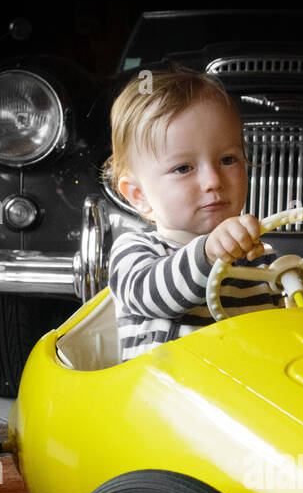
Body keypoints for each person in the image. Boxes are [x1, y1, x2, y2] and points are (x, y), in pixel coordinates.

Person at [101, 67, 281, 361]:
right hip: (161, 398)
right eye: (183, 168)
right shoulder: (135, 252)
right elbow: (154, 297)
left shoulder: (260, 258)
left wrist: (288, 280)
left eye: (227, 159)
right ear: (139, 196)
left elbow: (275, 340)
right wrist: (208, 254)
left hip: (241, 398)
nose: (213, 181)